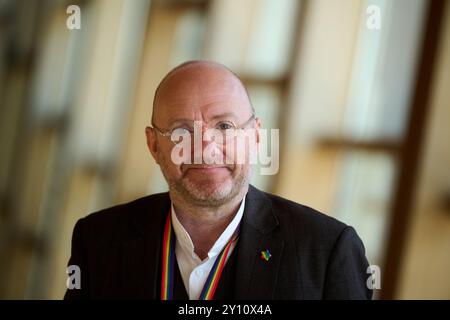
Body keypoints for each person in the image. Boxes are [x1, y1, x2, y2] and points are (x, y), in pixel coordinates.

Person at [64, 60, 372, 300]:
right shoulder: (98, 241)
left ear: (254, 136)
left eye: (224, 126)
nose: (204, 148)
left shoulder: (326, 250)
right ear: (154, 146)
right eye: (181, 131)